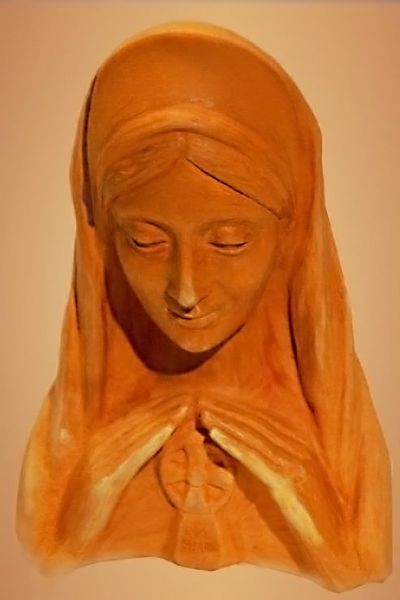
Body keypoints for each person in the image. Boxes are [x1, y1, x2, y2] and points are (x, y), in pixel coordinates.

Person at [17, 22, 391, 591]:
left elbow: (361, 564)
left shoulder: (339, 448)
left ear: (290, 236)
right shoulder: (76, 444)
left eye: (229, 241)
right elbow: (44, 556)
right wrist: (84, 510)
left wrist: (320, 524)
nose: (186, 291)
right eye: (145, 240)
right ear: (103, 239)